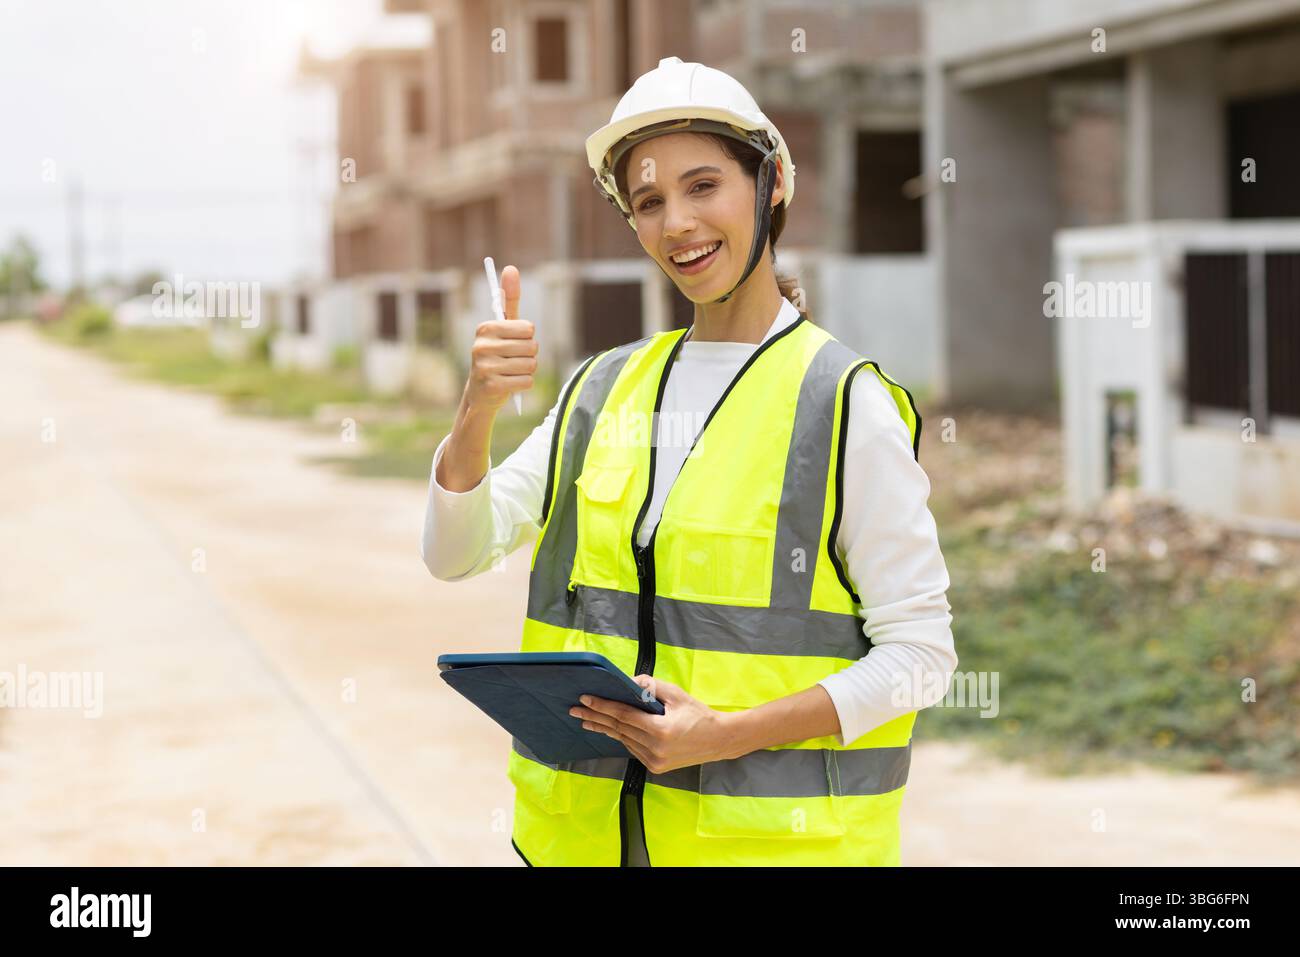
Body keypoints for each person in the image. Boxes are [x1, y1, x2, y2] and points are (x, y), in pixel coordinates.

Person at [421, 56, 956, 867]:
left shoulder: (843, 402)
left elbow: (922, 660)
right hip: (582, 846)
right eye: (649, 201)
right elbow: (453, 553)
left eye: (704, 186)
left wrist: (723, 735)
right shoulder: (601, 389)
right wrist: (477, 411)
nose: (678, 223)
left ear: (770, 184)